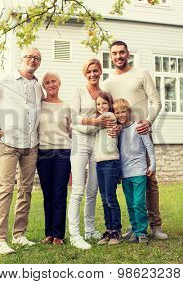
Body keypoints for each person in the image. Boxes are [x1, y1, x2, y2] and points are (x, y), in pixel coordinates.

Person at [0, 47, 44, 254]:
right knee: (5, 189)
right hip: (9, 143)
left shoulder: (38, 86)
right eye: (29, 57)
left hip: (31, 145)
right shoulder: (5, 79)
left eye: (37, 58)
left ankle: (19, 235)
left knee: (26, 191)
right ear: (22, 59)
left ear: (39, 63)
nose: (32, 61)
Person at [102, 41, 168, 240]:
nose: (118, 56)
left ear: (128, 54)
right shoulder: (107, 82)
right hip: (121, 138)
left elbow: (156, 101)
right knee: (128, 182)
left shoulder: (141, 74)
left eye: (122, 52)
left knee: (149, 180)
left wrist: (148, 121)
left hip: (141, 132)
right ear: (110, 56)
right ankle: (134, 226)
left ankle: (155, 226)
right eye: (114, 53)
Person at [68, 58, 117, 250]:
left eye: (96, 71)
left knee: (93, 190)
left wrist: (116, 128)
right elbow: (73, 118)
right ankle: (75, 235)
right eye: (89, 71)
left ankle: (89, 230)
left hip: (98, 144)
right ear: (85, 73)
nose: (93, 74)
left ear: (100, 72)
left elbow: (112, 115)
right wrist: (94, 123)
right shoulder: (79, 91)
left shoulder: (104, 93)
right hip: (80, 142)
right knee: (78, 189)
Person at [37, 71, 71, 246]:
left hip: (63, 152)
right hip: (43, 152)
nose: (51, 85)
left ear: (59, 83)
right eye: (47, 82)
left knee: (59, 192)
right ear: (44, 86)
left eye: (54, 81)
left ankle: (58, 234)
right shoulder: (39, 105)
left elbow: (72, 132)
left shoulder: (66, 107)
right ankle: (49, 233)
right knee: (47, 193)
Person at [114, 98, 155, 243]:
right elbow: (118, 152)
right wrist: (118, 173)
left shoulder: (138, 127)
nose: (120, 115)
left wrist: (153, 165)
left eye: (123, 112)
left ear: (129, 112)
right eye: (117, 113)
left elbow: (149, 146)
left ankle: (142, 232)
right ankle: (135, 230)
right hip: (125, 174)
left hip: (139, 172)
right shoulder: (118, 132)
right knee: (131, 204)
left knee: (139, 203)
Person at [92, 92, 123, 246]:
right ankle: (109, 230)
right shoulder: (98, 121)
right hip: (100, 162)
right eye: (98, 104)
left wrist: (86, 120)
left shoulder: (109, 116)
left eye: (104, 103)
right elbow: (88, 129)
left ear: (110, 105)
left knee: (110, 198)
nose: (101, 107)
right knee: (104, 199)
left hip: (111, 162)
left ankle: (116, 230)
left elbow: (88, 126)